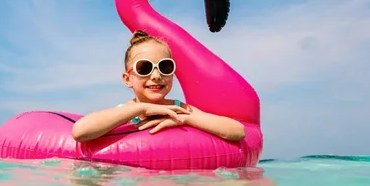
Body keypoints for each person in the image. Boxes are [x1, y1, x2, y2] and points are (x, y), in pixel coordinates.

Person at [72, 30, 246, 142]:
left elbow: (238, 131)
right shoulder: (123, 112)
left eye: (165, 67)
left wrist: (186, 119)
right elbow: (80, 131)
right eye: (144, 68)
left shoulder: (179, 110)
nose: (156, 76)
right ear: (127, 79)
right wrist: (142, 108)